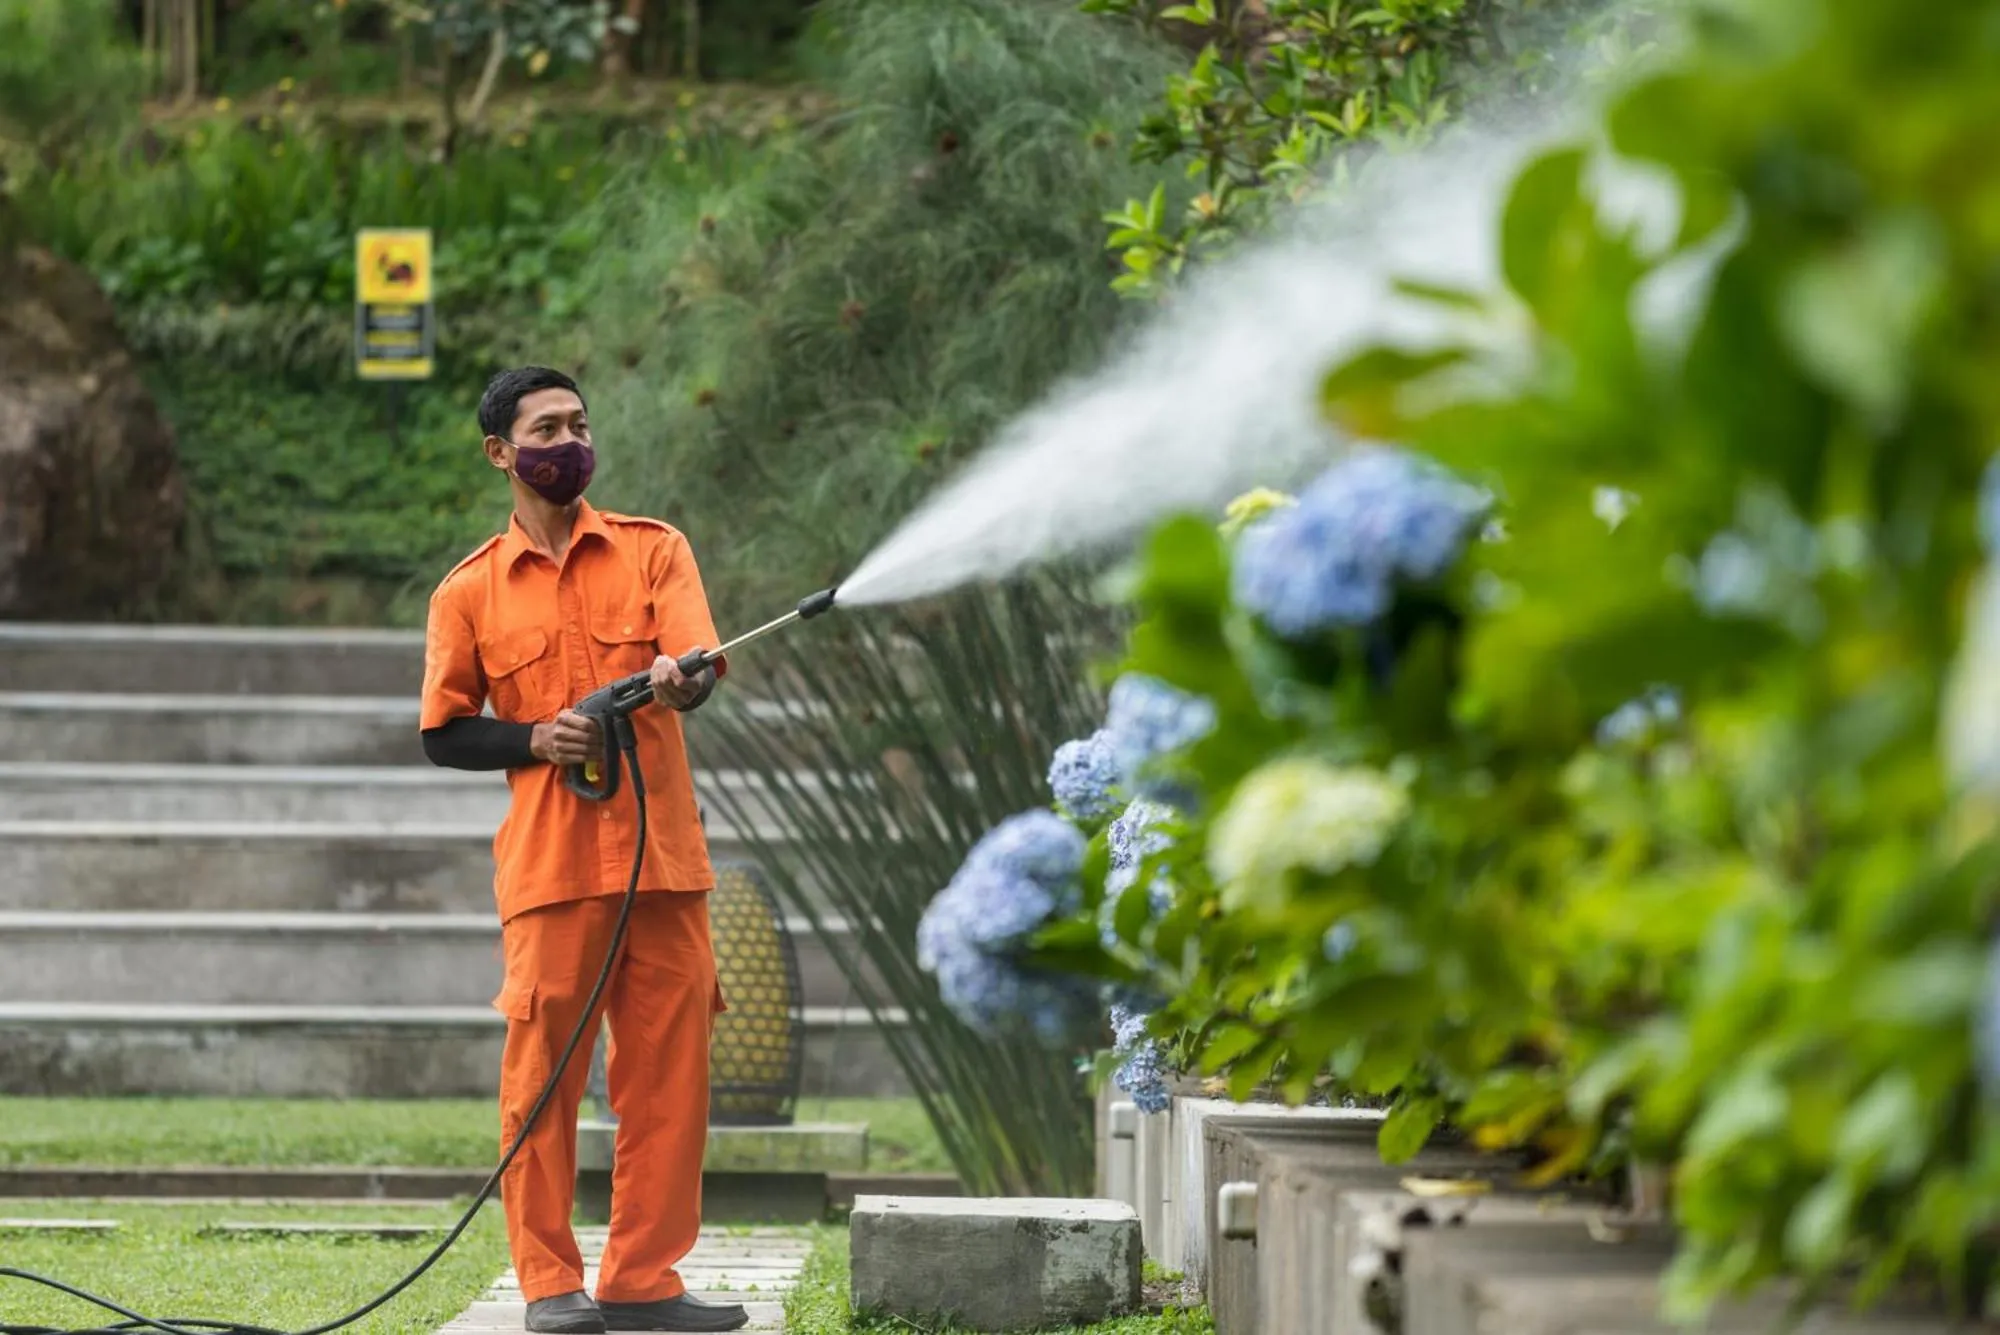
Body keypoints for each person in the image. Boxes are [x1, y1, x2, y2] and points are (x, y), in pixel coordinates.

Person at [419, 366, 746, 1335]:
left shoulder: (654, 552)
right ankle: (550, 1284)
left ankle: (643, 1282)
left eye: (577, 421)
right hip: (551, 876)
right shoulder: (468, 590)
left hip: (663, 868)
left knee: (668, 1080)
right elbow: (442, 733)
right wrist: (534, 739)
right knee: (542, 1085)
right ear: (500, 453)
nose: (568, 438)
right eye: (545, 426)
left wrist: (679, 685)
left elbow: (695, 670)